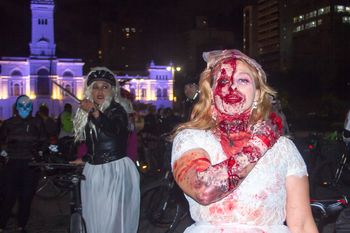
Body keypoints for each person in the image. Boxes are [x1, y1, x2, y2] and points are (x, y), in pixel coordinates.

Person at [171, 49, 318, 233]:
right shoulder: (191, 138)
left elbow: (302, 224)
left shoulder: (284, 148)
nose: (232, 87)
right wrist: (260, 143)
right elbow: (204, 189)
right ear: (212, 92)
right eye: (223, 80)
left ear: (257, 94)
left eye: (243, 80)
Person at [72, 67, 140, 233]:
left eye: (105, 86)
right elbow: (93, 143)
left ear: (112, 90)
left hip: (115, 170)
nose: (100, 91)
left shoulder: (118, 110)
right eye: (95, 87)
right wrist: (85, 158)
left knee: (113, 219)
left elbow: (114, 131)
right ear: (90, 91)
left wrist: (95, 112)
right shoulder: (89, 113)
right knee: (95, 217)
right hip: (94, 171)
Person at [0, 95, 48, 233]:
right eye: (22, 104)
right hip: (12, 163)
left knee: (26, 196)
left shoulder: (37, 123)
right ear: (16, 106)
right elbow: (2, 140)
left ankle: (22, 225)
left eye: (28, 105)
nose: (25, 107)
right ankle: (2, 224)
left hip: (30, 165)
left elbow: (44, 140)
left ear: (32, 107)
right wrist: (3, 151)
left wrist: (40, 151)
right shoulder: (9, 123)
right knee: (8, 195)